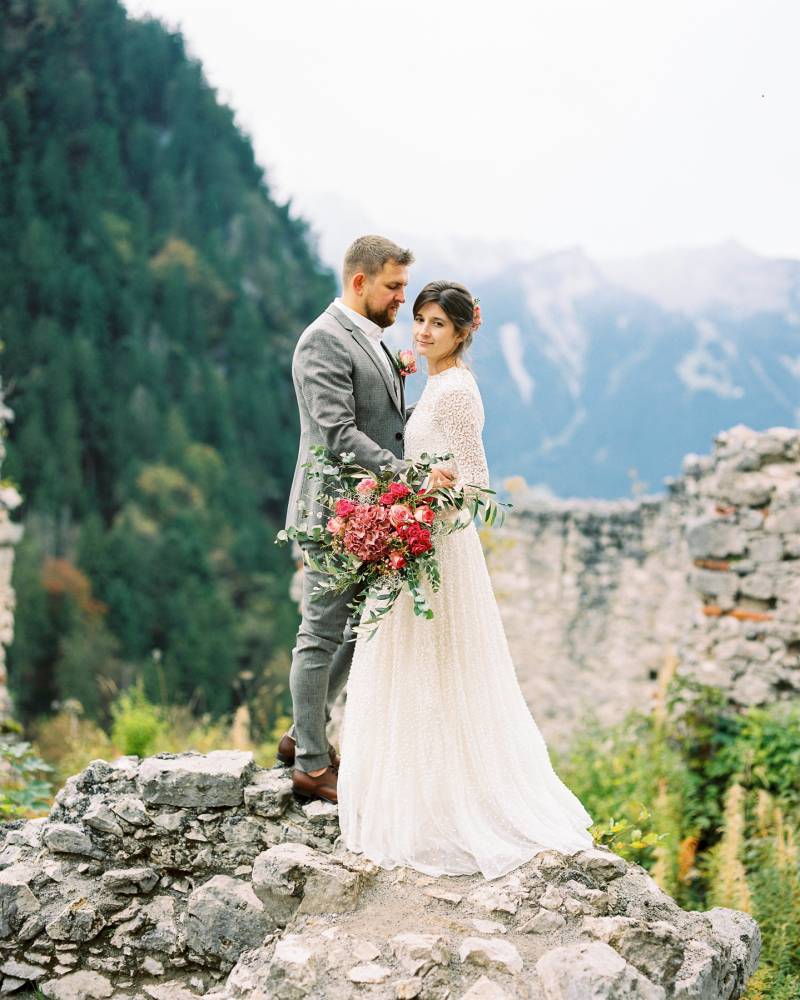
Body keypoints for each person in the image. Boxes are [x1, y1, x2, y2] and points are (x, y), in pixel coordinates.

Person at [336, 280, 595, 880]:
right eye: (419, 320)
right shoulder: (433, 383)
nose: (423, 331)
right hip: (415, 539)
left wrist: (420, 494)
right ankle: (415, 797)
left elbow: (477, 485)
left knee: (439, 666)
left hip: (439, 548)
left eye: (437, 324)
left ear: (461, 332)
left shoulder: (455, 392)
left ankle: (448, 807)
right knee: (410, 667)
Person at [280, 237, 455, 804]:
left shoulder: (371, 340)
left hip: (372, 513)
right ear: (360, 283)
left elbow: (383, 420)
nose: (402, 298)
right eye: (394, 286)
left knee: (362, 629)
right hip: (335, 511)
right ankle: (309, 761)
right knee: (320, 633)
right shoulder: (322, 341)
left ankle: (299, 731)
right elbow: (338, 435)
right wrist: (409, 476)